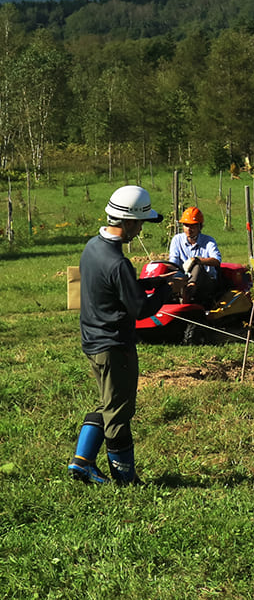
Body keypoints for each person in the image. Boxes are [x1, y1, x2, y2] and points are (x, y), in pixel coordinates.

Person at [68, 185, 166, 486]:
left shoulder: (92, 247)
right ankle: (125, 480)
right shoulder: (119, 262)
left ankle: (82, 462)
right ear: (127, 222)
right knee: (120, 412)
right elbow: (140, 310)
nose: (140, 230)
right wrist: (165, 290)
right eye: (140, 224)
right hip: (115, 346)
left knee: (107, 402)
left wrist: (148, 282)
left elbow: (116, 290)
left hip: (93, 341)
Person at [168, 206, 221, 305]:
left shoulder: (209, 241)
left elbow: (216, 260)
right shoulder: (177, 240)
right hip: (183, 279)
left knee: (197, 267)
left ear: (200, 226)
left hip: (206, 282)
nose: (189, 229)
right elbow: (173, 262)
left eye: (192, 226)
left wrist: (197, 260)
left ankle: (188, 292)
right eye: (186, 225)